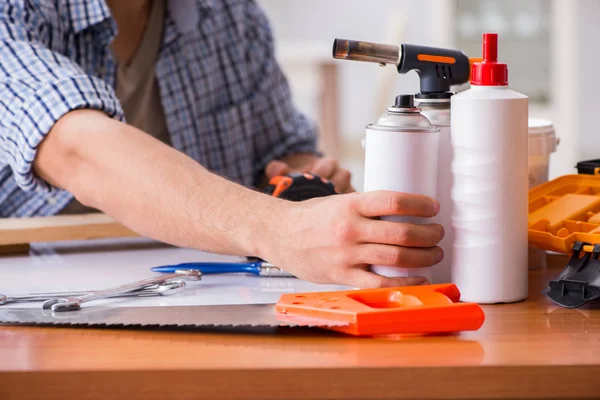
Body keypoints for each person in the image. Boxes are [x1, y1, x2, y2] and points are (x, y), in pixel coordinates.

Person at [0, 0, 444, 288]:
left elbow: (282, 150)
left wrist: (305, 177)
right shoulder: (14, 12)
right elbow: (73, 148)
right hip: (33, 294)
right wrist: (279, 228)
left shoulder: (231, 17)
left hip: (208, 291)